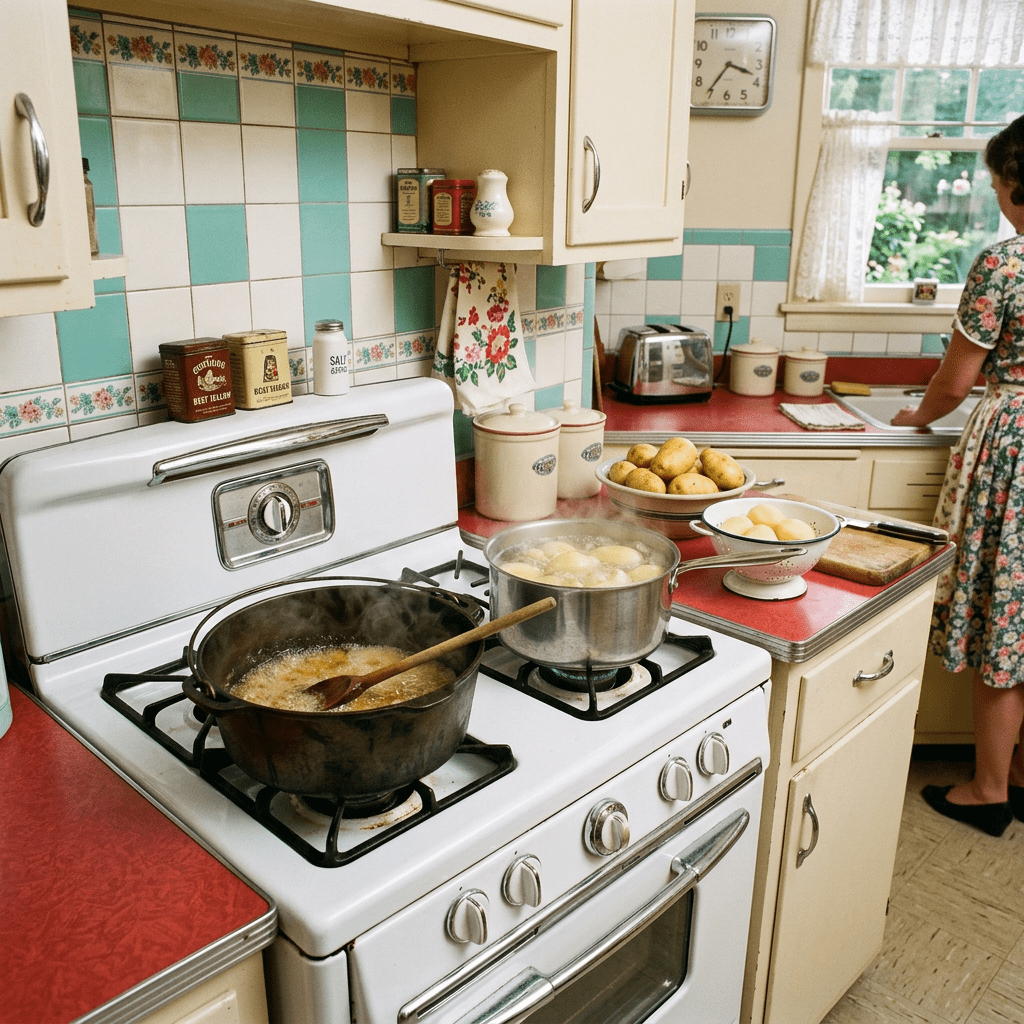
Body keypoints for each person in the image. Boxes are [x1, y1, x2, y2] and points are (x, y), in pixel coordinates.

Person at [890, 114, 1024, 838]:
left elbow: (955, 382)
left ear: (1012, 186)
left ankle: (988, 789)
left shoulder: (1004, 265)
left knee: (1002, 615)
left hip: (1015, 441)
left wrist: (918, 416)